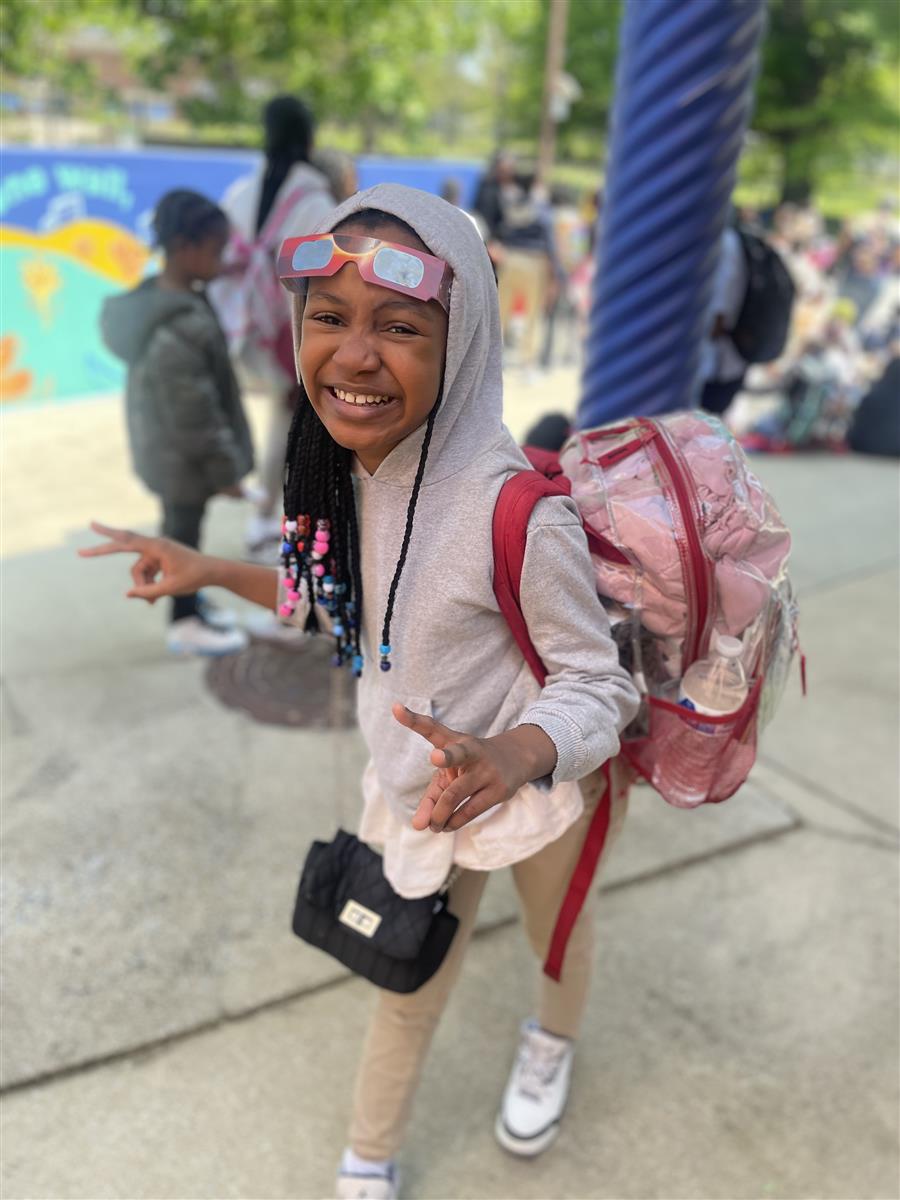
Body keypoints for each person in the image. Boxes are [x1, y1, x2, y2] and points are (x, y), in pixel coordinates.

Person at [81, 185, 639, 1198]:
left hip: (535, 784)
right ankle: (368, 1156)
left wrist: (516, 753)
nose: (354, 354)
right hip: (425, 789)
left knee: (558, 933)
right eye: (329, 317)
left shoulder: (517, 512)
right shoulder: (334, 471)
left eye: (400, 327)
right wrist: (210, 571)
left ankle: (551, 1042)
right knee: (406, 978)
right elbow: (333, 599)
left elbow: (598, 683)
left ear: (463, 337)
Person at [99, 189, 253, 657]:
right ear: (184, 247)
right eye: (215, 250)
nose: (222, 261)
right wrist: (226, 472)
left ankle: (190, 602)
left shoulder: (175, 300)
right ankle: (183, 622)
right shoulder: (177, 323)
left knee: (183, 531)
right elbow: (194, 415)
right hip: (182, 459)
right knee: (182, 536)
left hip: (173, 456)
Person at [212, 95, 336, 562]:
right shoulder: (315, 200)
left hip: (241, 323)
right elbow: (320, 280)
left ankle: (262, 516)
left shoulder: (241, 192)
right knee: (291, 426)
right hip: (290, 329)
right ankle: (271, 518)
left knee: (266, 421)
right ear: (309, 138)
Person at [474, 151, 557, 372]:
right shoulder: (539, 206)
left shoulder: (509, 201)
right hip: (531, 259)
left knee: (501, 311)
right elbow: (549, 238)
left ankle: (495, 358)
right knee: (531, 314)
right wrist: (555, 271)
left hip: (510, 257)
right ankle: (526, 361)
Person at [699, 223, 749, 416]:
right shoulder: (733, 242)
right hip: (726, 365)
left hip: (714, 367)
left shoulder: (725, 244)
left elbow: (719, 315)